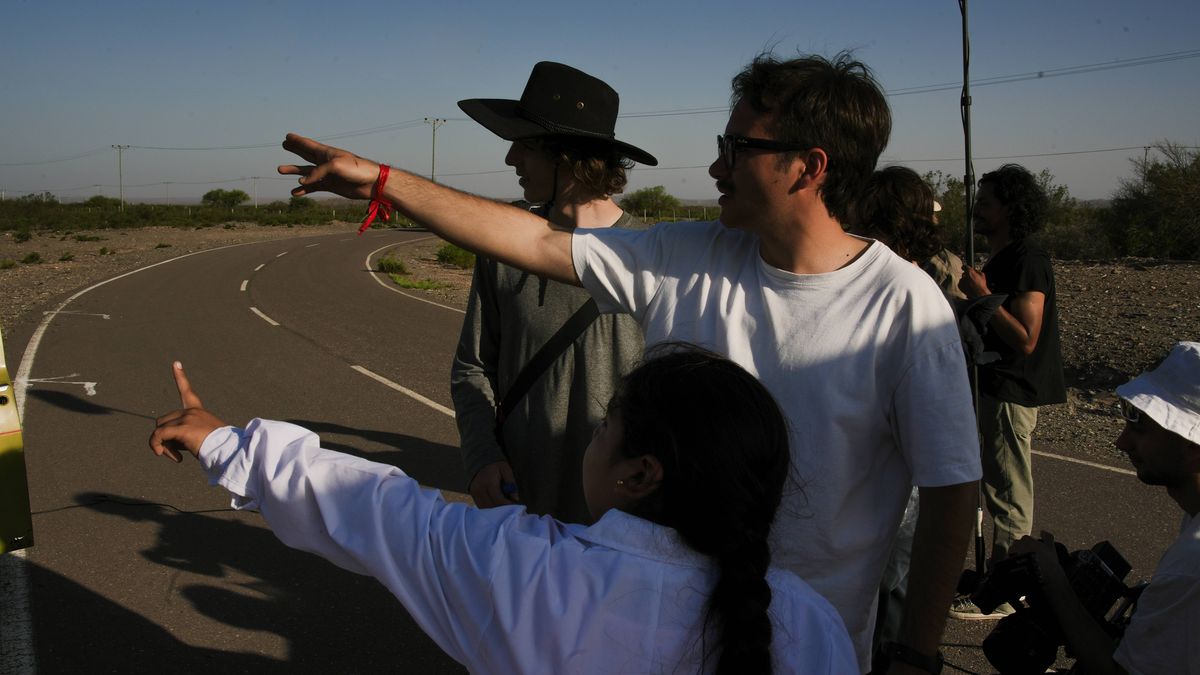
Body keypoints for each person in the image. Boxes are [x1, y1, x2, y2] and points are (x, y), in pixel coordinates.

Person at [277, 52, 982, 673]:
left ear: (809, 166)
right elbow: (538, 242)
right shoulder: (686, 256)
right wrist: (384, 181)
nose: (716, 167)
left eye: (736, 147)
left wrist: (917, 654)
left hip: (808, 651)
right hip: (642, 639)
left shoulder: (905, 308)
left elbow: (951, 492)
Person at [148, 347, 857, 673]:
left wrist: (227, 444)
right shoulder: (812, 625)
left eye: (606, 426)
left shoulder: (526, 570)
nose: (591, 436)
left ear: (640, 474)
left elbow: (378, 509)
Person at [450, 62, 651, 523]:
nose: (510, 160)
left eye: (523, 145)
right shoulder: (503, 250)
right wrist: (481, 454)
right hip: (517, 508)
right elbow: (472, 366)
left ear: (567, 156)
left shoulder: (651, 259)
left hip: (622, 523)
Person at [1006, 341, 1200, 674]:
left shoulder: (1191, 568)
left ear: (1192, 444)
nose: (1121, 442)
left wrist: (1052, 579)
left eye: (1139, 428)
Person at [953, 164, 1066, 620]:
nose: (977, 209)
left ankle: (1006, 594)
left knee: (1008, 490)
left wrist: (981, 296)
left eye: (986, 202)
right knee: (995, 483)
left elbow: (1026, 338)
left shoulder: (1027, 259)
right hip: (993, 385)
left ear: (1010, 208)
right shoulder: (1005, 257)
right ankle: (993, 579)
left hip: (1011, 390)